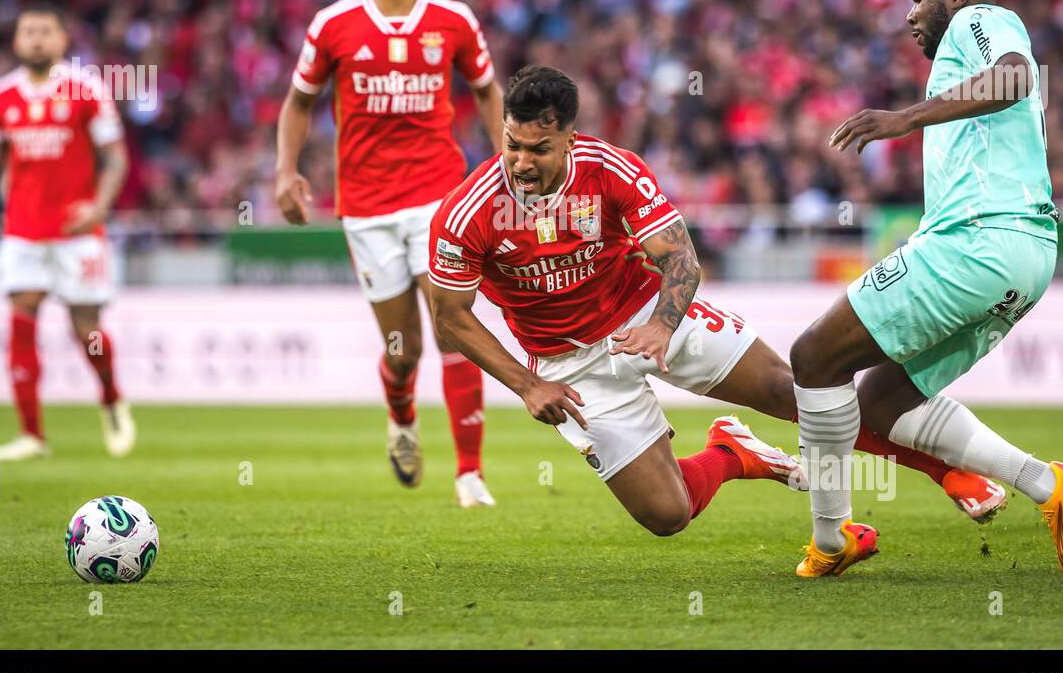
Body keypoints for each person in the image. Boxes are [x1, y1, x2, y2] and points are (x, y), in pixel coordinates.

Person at [428, 64, 1005, 537]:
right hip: (567, 362)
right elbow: (451, 319)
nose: (521, 163)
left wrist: (659, 325)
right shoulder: (468, 212)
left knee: (792, 391)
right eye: (512, 145)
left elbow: (681, 259)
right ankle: (732, 454)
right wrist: (528, 385)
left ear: (569, 139)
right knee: (666, 515)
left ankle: (946, 472)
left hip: (646, 309)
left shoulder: (611, 170)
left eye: (538, 149)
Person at [790, 0, 1063, 578]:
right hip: (1026, 259)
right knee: (883, 403)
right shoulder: (962, 53)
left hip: (976, 242)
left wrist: (905, 119)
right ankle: (1051, 487)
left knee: (813, 358)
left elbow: (1014, 74)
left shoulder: (979, 19)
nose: (909, 14)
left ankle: (832, 536)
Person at [275, 0, 504, 506]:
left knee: (454, 328)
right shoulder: (333, 23)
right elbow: (299, 102)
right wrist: (284, 171)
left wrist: (509, 160)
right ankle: (401, 416)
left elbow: (486, 89)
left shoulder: (453, 20)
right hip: (367, 206)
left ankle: (469, 473)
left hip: (438, 196)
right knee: (405, 352)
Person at [0, 6, 134, 460]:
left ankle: (112, 399)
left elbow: (115, 158)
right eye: (28, 32)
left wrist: (98, 205)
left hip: (77, 230)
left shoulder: (86, 89)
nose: (37, 39)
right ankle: (32, 434)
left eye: (45, 31)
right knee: (22, 319)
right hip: (22, 229)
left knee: (87, 331)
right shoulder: (0, 96)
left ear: (62, 40)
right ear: (16, 42)